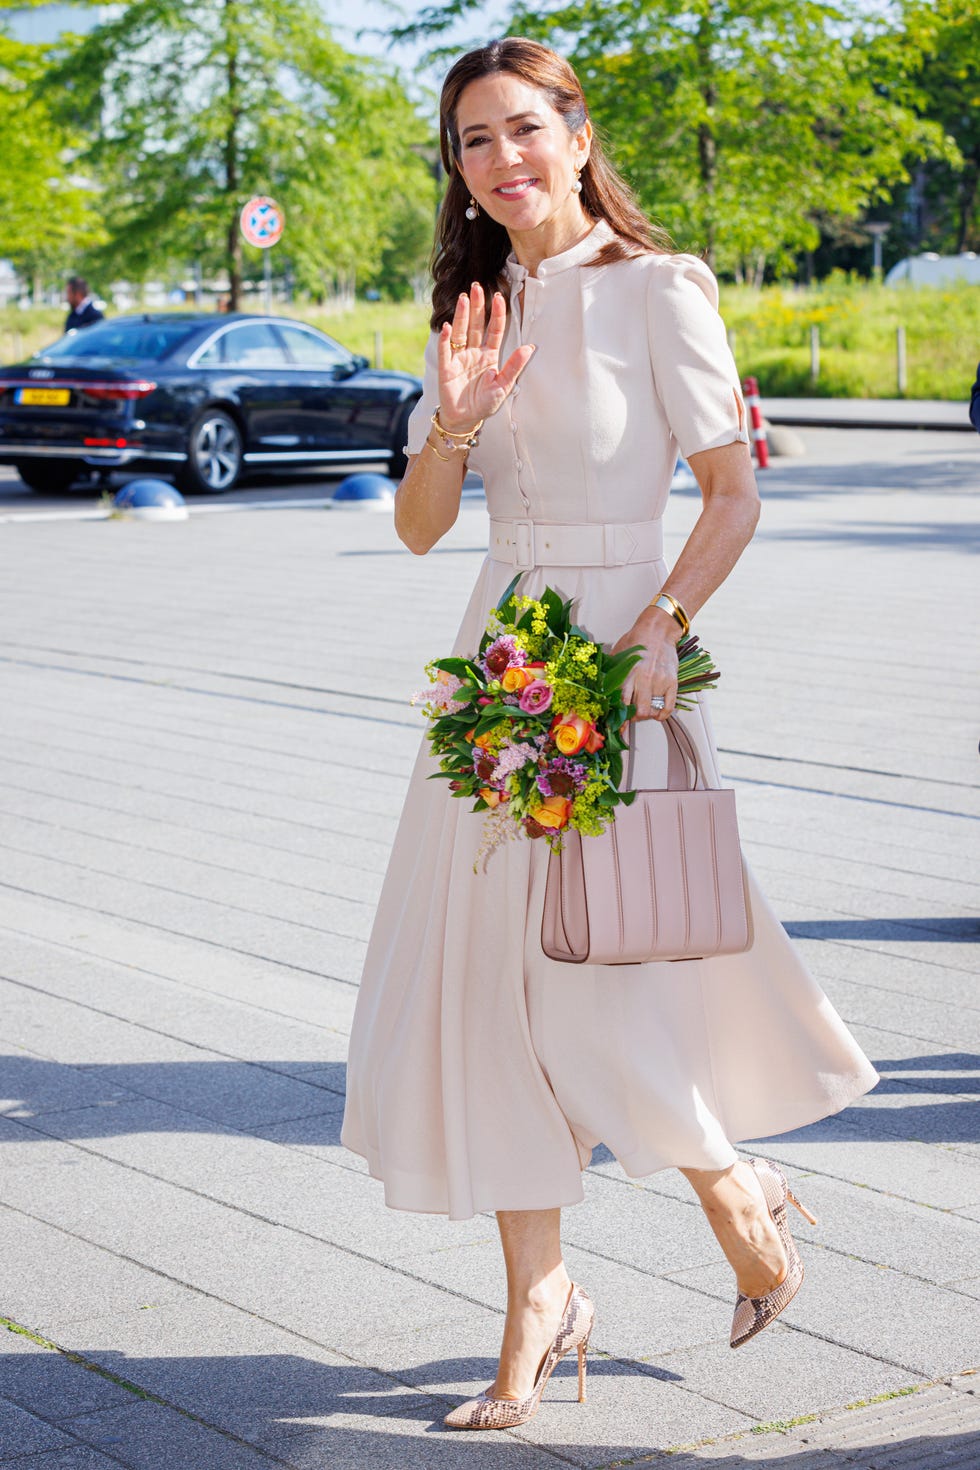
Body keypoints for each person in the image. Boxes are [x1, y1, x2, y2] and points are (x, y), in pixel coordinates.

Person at [341, 37, 879, 1431]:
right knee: (491, 988)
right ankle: (541, 1297)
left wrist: (661, 631)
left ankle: (723, 1177)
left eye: (525, 128)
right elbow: (412, 532)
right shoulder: (469, 304)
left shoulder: (660, 290)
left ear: (578, 135)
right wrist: (450, 427)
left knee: (584, 965)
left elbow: (730, 493)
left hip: (619, 656)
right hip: (496, 657)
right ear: (456, 167)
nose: (501, 159)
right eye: (472, 141)